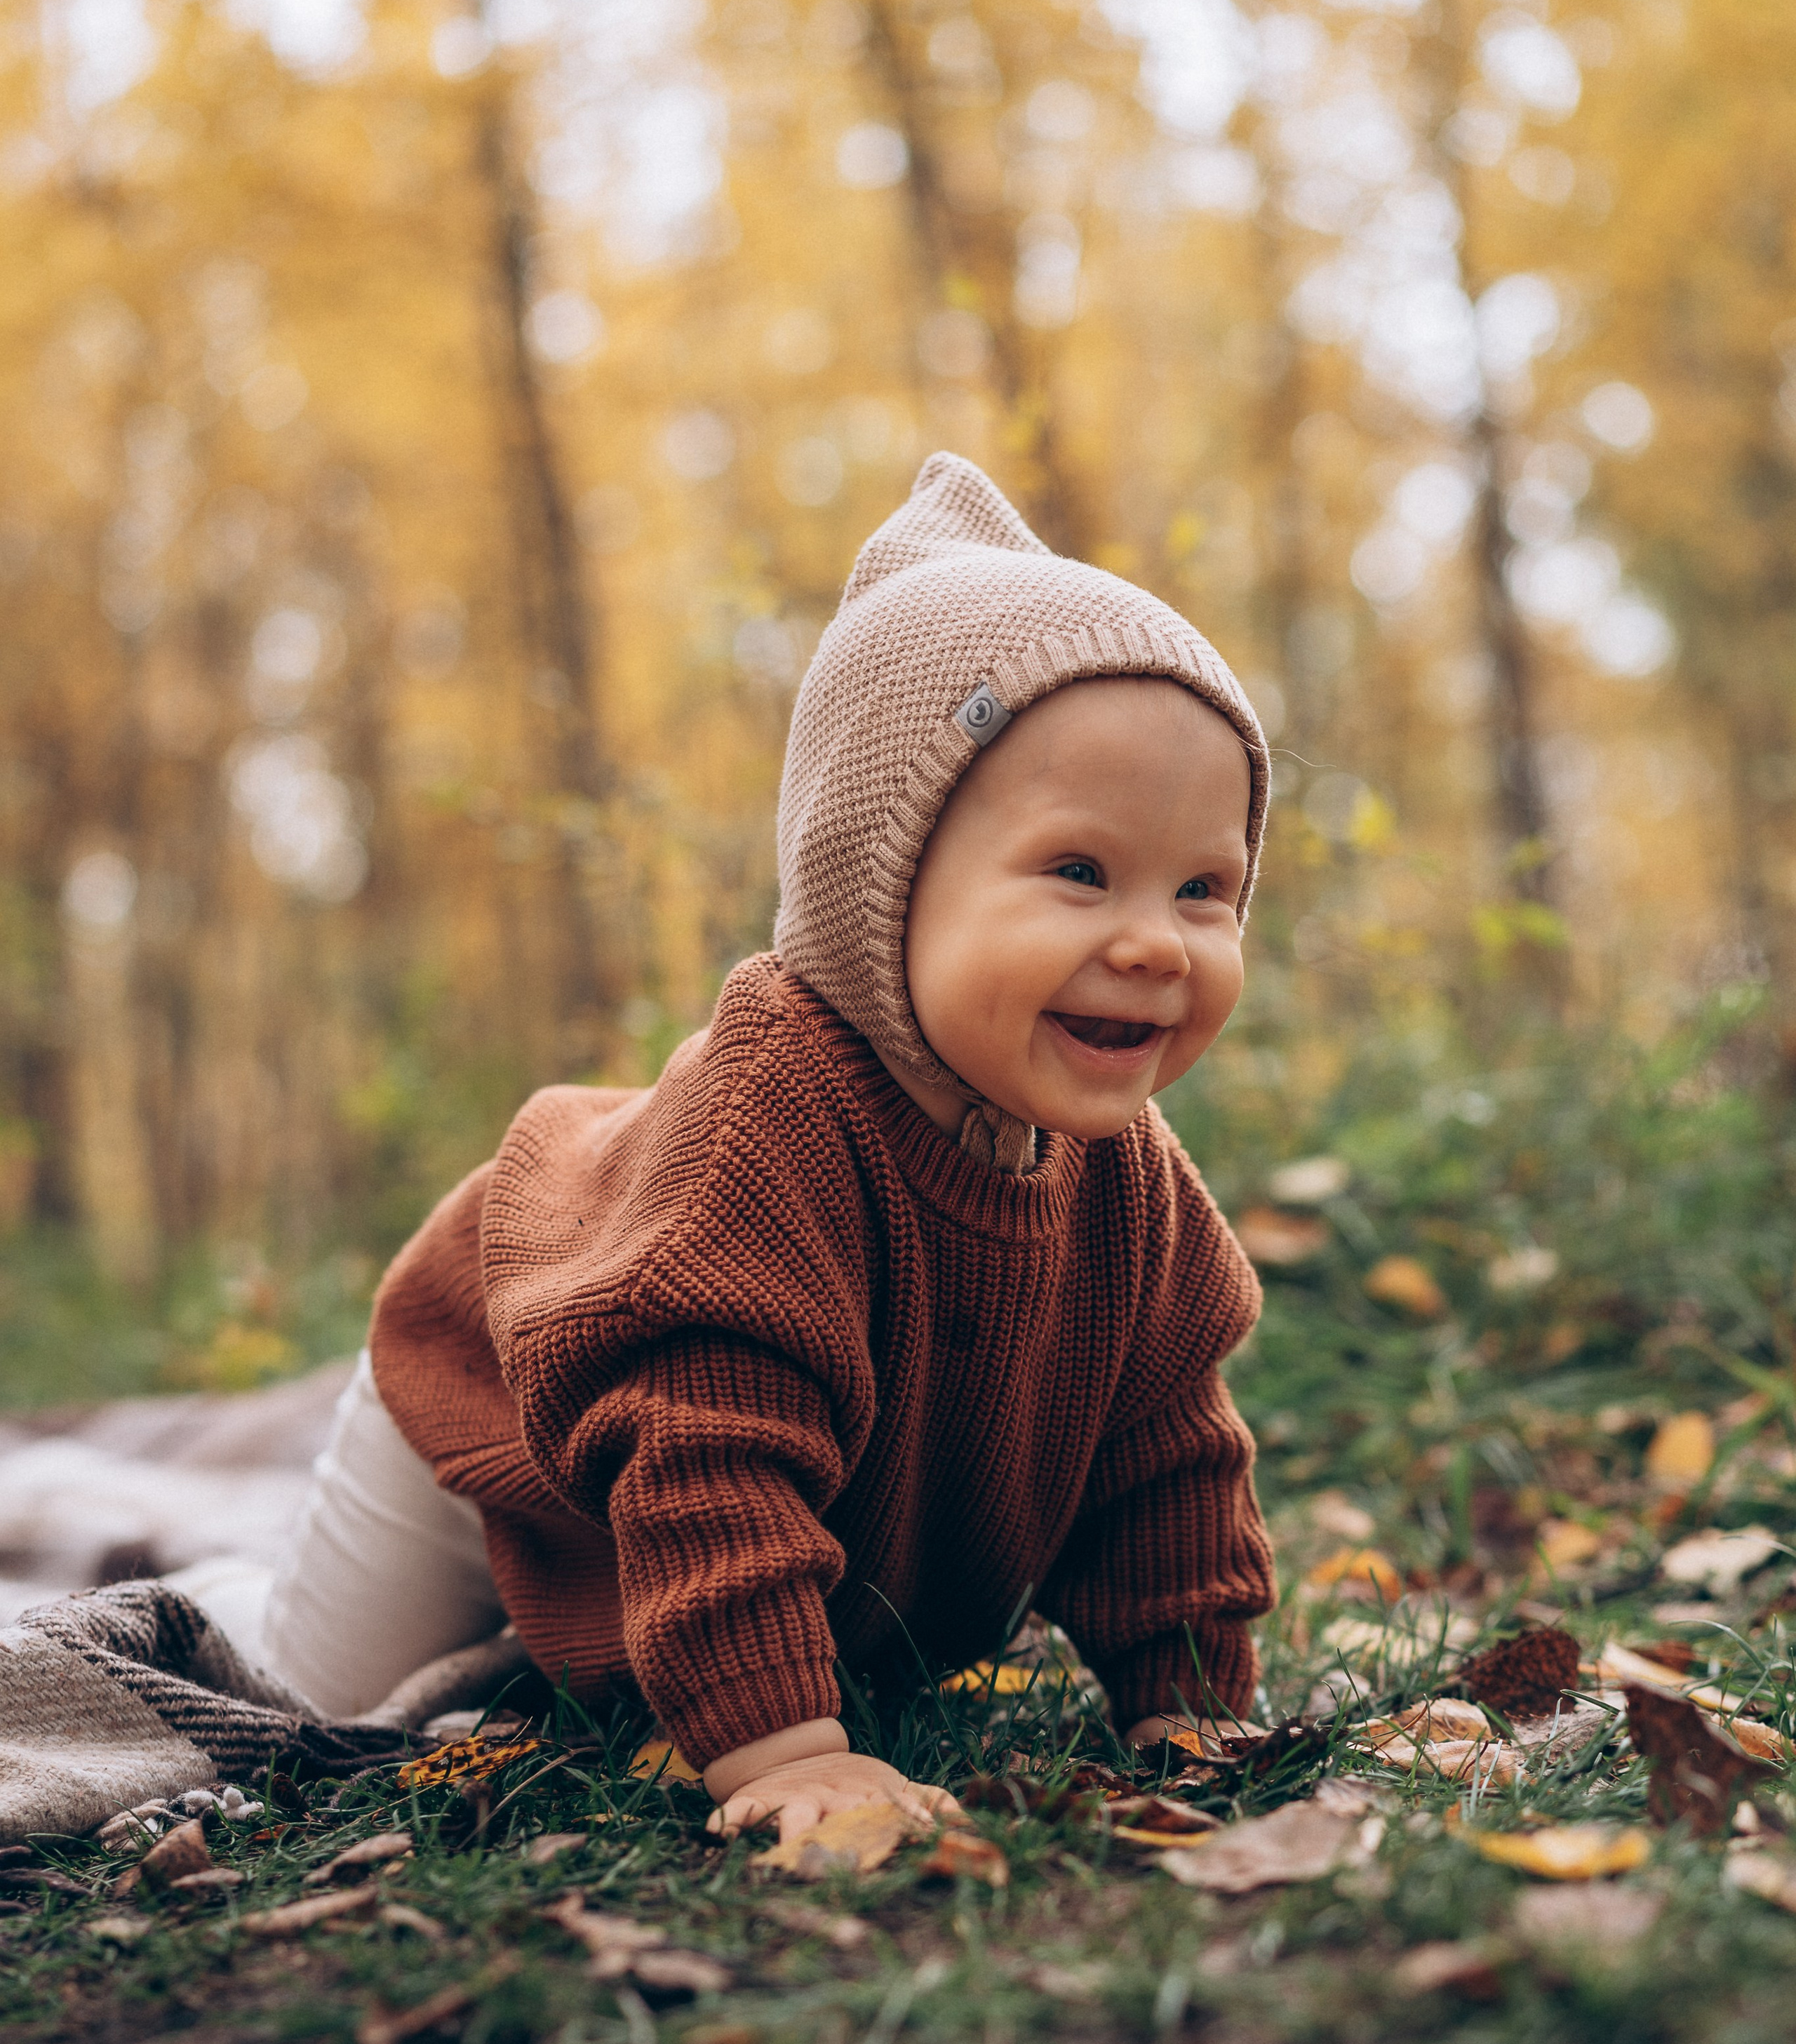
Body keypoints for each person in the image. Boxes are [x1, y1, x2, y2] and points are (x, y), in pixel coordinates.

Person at [255, 453, 1278, 1842]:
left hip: (757, 1496)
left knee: (589, 1682)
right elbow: (707, 1449)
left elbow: (1158, 1458)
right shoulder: (771, 1123)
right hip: (504, 1397)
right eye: (1079, 872)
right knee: (307, 1714)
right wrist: (789, 1751)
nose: (1154, 939)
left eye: (1203, 887)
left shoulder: (1132, 1191)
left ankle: (655, 1648)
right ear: (884, 870)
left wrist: (1191, 1703)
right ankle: (251, 1577)